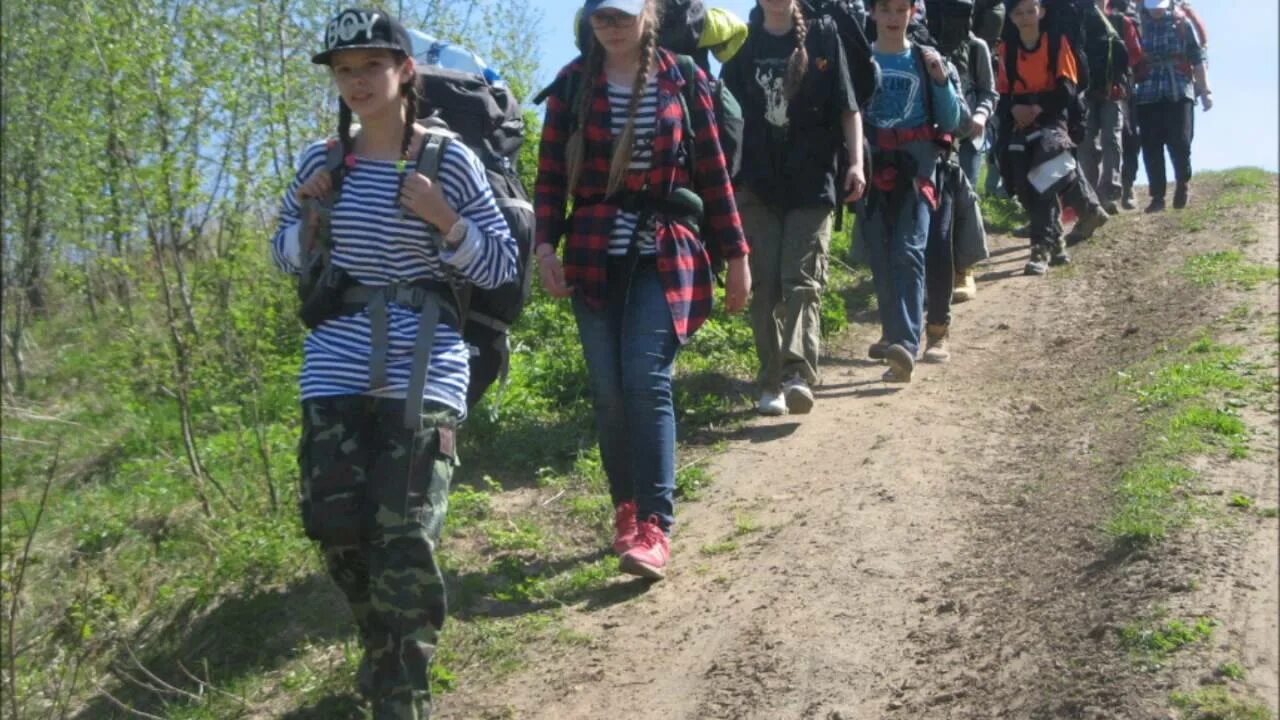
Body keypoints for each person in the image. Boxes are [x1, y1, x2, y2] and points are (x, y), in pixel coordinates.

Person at [271, 9, 517, 718]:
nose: (355, 82)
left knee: (405, 536)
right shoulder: (322, 162)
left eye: (369, 67)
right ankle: (383, 651)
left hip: (425, 363)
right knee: (336, 528)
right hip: (335, 364)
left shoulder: (446, 160)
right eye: (343, 70)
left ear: (404, 71)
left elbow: (500, 263)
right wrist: (309, 226)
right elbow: (282, 252)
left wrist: (447, 219)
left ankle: (402, 698)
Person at [534, 0, 751, 580]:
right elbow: (551, 175)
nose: (612, 23)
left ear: (650, 14)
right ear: (588, 20)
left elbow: (713, 174)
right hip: (591, 251)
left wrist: (737, 256)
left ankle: (655, 524)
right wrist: (544, 247)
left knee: (646, 380)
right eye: (602, 13)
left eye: (623, 13)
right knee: (608, 391)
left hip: (666, 247)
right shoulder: (573, 85)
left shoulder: (683, 79)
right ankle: (625, 509)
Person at [721, 0, 865, 416]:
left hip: (812, 179)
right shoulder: (741, 42)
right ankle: (770, 383)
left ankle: (797, 374)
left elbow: (848, 106)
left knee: (802, 280)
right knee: (765, 285)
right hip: (758, 184)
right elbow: (725, 117)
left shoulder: (823, 34)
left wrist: (855, 162)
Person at [858, 0, 963, 382]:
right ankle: (896, 338)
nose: (892, 18)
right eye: (884, 9)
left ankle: (904, 344)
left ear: (912, 12)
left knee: (909, 250)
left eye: (900, 9)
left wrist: (939, 80)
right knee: (881, 257)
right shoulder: (858, 59)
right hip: (870, 167)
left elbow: (951, 120)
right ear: (872, 12)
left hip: (918, 168)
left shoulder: (926, 59)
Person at [995, 0, 1109, 276]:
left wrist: (1037, 108)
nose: (1025, 18)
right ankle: (1082, 214)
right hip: (1019, 119)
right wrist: (1015, 108)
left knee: (1044, 168)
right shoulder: (1006, 50)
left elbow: (1066, 90)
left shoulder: (1057, 42)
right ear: (1010, 17)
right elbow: (1003, 94)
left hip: (1054, 114)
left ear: (1041, 12)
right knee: (1021, 174)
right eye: (1018, 13)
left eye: (1030, 11)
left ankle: (1041, 248)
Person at [925, 0, 996, 305]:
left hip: (971, 137)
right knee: (937, 203)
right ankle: (935, 273)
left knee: (965, 199)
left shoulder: (977, 47)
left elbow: (989, 90)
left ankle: (963, 269)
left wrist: (980, 116)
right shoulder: (926, 45)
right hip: (938, 137)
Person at [1133, 0, 1210, 212]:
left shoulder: (1181, 22)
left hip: (1179, 88)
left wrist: (1205, 92)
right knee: (1151, 145)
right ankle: (1157, 197)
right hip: (1147, 91)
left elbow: (1197, 58)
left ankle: (1183, 182)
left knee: (1181, 141)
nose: (1155, 9)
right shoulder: (1136, 23)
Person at [1078, 0, 1134, 213]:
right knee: (1087, 143)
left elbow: (1132, 56)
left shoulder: (1120, 21)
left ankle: (1109, 191)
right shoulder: (1078, 20)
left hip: (1112, 91)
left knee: (1110, 139)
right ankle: (1091, 195)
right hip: (1086, 92)